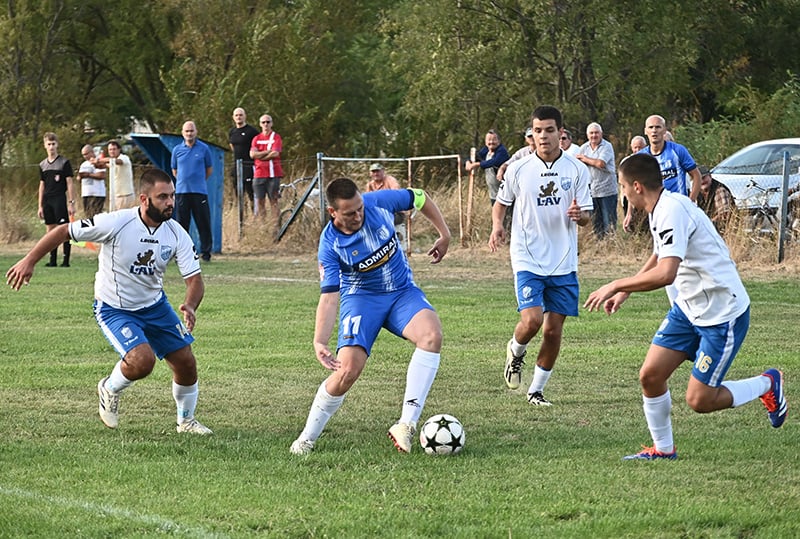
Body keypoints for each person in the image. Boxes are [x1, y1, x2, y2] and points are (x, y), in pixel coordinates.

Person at [584, 153, 787, 460]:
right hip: (688, 309)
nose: (622, 193)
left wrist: (617, 284)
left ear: (636, 186)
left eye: (623, 187)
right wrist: (627, 292)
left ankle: (767, 383)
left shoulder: (670, 210)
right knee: (650, 375)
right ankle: (663, 450)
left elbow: (667, 273)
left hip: (721, 314)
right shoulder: (662, 207)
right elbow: (660, 253)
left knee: (700, 400)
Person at [6, 168, 213, 435]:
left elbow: (194, 279)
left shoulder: (176, 233)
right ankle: (109, 387)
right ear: (144, 199)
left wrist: (190, 304)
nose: (170, 202)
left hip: (155, 306)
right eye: (162, 197)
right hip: (115, 308)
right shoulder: (115, 222)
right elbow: (63, 231)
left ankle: (185, 422)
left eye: (172, 196)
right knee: (142, 361)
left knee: (186, 362)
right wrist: (29, 260)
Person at [290, 177, 451, 455]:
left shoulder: (379, 202)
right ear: (333, 213)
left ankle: (406, 425)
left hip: (402, 292)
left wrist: (444, 234)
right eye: (350, 213)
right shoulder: (330, 245)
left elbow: (420, 197)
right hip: (362, 300)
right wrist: (320, 341)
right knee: (348, 371)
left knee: (431, 336)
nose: (358, 215)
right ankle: (306, 438)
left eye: (360, 208)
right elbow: (329, 297)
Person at [489, 105, 592, 406]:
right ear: (531, 135)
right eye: (537, 131)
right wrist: (497, 226)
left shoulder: (577, 169)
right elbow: (501, 203)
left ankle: (536, 390)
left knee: (552, 330)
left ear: (561, 133)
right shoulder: (520, 168)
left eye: (549, 130)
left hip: (563, 260)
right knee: (532, 321)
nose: (543, 136)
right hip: (527, 256)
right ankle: (516, 350)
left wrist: (580, 216)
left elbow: (587, 216)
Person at [623, 115, 701, 232]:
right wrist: (629, 213)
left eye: (658, 127)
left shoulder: (678, 150)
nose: (654, 131)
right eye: (651, 127)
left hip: (678, 208)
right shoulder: (641, 157)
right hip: (655, 210)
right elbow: (634, 185)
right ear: (645, 131)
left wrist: (690, 201)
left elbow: (696, 175)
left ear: (664, 130)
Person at [171, 120, 214, 262]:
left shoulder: (204, 149)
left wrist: (198, 180)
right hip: (182, 192)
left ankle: (206, 253)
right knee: (182, 224)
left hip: (199, 191)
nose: (189, 133)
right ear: (182, 133)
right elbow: (175, 170)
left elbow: (209, 169)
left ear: (196, 132)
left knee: (203, 222)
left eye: (191, 131)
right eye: (187, 131)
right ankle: (181, 254)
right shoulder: (177, 150)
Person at [38, 132, 76, 267]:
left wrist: (71, 202)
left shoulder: (64, 162)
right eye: (49, 144)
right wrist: (40, 205)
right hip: (47, 200)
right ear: (45, 146)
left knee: (64, 229)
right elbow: (42, 185)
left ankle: (66, 260)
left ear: (57, 145)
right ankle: (52, 259)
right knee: (50, 230)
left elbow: (70, 183)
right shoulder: (42, 165)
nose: (51, 147)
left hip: (59, 198)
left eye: (53, 144)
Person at [576, 122, 617, 238]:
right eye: (591, 133)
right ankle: (599, 247)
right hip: (592, 191)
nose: (594, 135)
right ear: (587, 135)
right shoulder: (583, 148)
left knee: (609, 221)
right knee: (596, 222)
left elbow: (600, 163)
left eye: (596, 133)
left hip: (607, 190)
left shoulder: (607, 146)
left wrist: (584, 158)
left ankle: (611, 246)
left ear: (601, 134)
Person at [249, 114, 283, 229]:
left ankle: (276, 227)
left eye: (268, 122)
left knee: (274, 201)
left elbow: (275, 153)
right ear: (260, 124)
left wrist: (260, 156)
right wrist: (266, 153)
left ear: (271, 123)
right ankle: (263, 226)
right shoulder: (256, 138)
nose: (266, 124)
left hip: (273, 174)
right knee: (260, 201)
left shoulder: (276, 137)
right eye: (263, 122)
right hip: (259, 174)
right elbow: (252, 154)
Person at [365, 163, 407, 247]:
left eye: (378, 171)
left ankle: (390, 245)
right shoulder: (370, 185)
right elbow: (368, 202)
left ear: (383, 171)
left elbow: (396, 195)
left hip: (396, 214)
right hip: (379, 214)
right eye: (373, 172)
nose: (376, 174)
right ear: (370, 173)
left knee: (380, 221)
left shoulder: (390, 180)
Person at [465, 129, 510, 207]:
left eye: (494, 140)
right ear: (485, 142)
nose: (491, 142)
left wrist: (476, 164)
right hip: (493, 194)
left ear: (499, 141)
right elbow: (476, 156)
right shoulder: (486, 150)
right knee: (496, 217)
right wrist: (468, 162)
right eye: (489, 140)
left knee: (506, 217)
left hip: (505, 194)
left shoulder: (502, 151)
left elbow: (494, 162)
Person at [228, 107, 259, 210]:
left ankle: (254, 215)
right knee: (238, 193)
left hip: (249, 166)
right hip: (236, 166)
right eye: (236, 115)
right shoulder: (232, 131)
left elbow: (257, 147)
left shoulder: (252, 131)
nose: (239, 117)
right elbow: (232, 146)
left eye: (241, 115)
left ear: (245, 116)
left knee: (251, 192)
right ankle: (242, 216)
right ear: (233, 117)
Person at [696, 165, 736, 234]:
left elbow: (725, 214)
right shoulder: (697, 193)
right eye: (699, 179)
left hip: (725, 229)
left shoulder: (719, 190)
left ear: (710, 176)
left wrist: (707, 223)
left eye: (704, 178)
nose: (702, 181)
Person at [98, 140, 136, 211]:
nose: (112, 151)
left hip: (125, 195)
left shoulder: (124, 158)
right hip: (116, 195)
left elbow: (118, 161)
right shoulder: (112, 161)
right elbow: (103, 165)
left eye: (114, 149)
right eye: (110, 149)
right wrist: (94, 162)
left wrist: (100, 160)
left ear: (119, 149)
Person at [623, 135, 649, 234]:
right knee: (634, 228)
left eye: (640, 147)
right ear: (631, 148)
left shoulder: (651, 162)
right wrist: (629, 212)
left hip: (649, 200)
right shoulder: (627, 162)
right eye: (635, 147)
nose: (637, 150)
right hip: (633, 200)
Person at [77, 144, 106, 219]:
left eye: (86, 154)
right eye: (83, 155)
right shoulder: (83, 164)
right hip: (86, 193)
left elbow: (102, 175)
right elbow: (79, 178)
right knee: (88, 216)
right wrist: (80, 177)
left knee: (96, 216)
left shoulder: (98, 161)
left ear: (92, 152)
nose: (85, 156)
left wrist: (88, 174)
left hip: (97, 194)